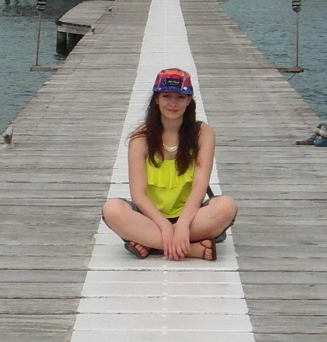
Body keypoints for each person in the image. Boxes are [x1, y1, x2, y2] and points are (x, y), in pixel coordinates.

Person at [101, 68, 239, 260]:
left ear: (189, 100)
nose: (173, 103)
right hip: (151, 218)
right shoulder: (140, 138)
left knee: (226, 206)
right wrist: (164, 225)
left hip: (191, 216)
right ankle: (191, 249)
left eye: (180, 97)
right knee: (112, 209)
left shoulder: (203, 133)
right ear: (157, 99)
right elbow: (138, 195)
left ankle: (151, 242)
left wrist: (183, 224)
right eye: (166, 96)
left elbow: (199, 187)